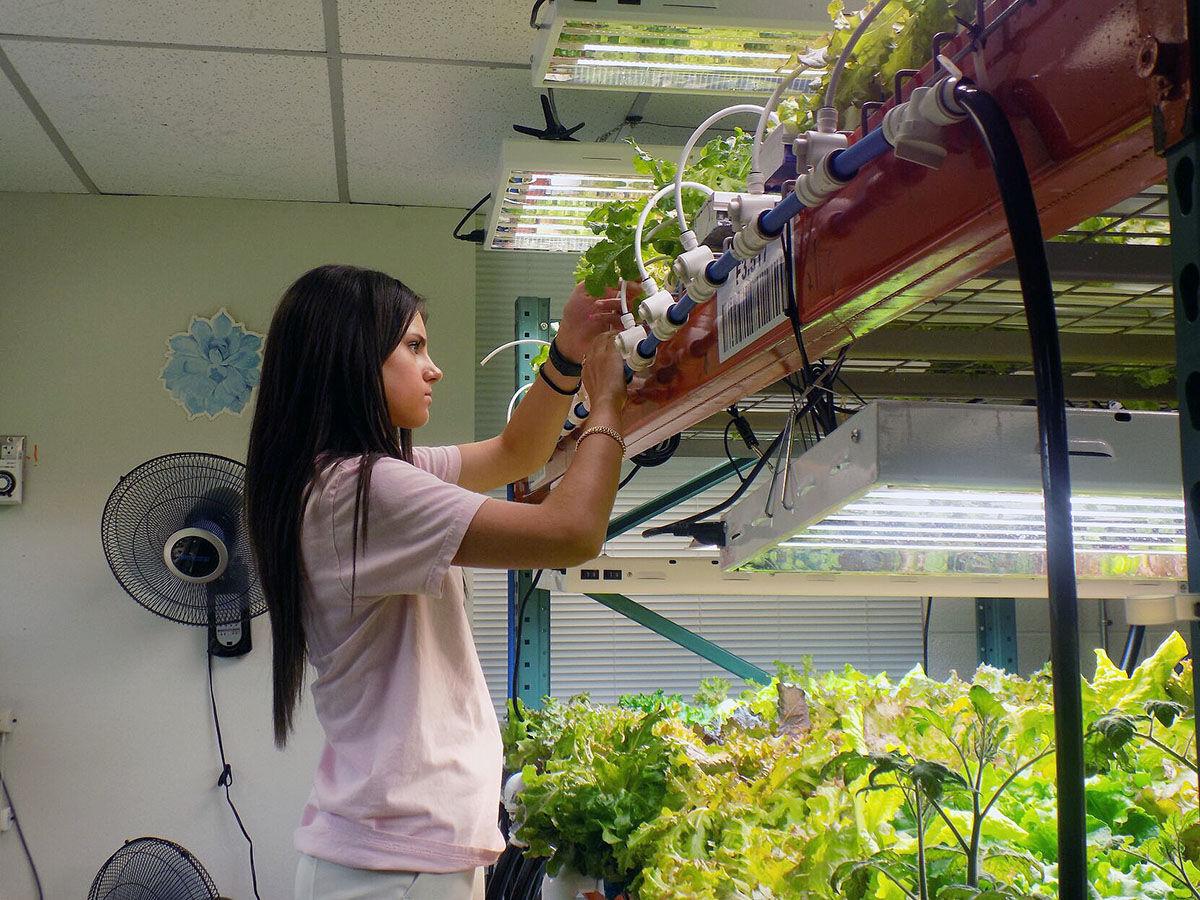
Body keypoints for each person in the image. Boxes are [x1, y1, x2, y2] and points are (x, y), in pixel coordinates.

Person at [245, 264, 629, 900]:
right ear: (352, 358)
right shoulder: (366, 491)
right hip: (396, 866)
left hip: (394, 855)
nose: (434, 368)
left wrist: (567, 351)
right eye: (414, 347)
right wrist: (608, 404)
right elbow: (573, 534)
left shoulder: (351, 478)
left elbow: (516, 453)